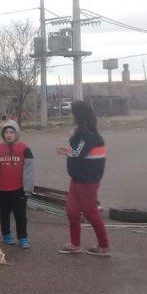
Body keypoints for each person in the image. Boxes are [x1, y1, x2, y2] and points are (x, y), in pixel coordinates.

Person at [56, 101, 109, 256]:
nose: (70, 115)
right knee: (72, 211)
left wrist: (71, 141)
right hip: (77, 179)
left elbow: (79, 153)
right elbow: (79, 152)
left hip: (88, 181)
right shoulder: (84, 133)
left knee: (90, 212)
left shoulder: (88, 134)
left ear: (79, 115)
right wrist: (67, 150)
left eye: (72, 112)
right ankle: (75, 244)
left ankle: (104, 246)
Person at [0, 120, 34, 249]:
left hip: (19, 189)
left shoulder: (25, 148)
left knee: (20, 215)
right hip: (3, 189)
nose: (9, 135)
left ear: (17, 133)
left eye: (12, 132)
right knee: (4, 214)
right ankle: (6, 235)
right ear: (3, 134)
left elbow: (29, 170)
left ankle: (23, 237)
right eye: (6, 132)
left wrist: (28, 189)